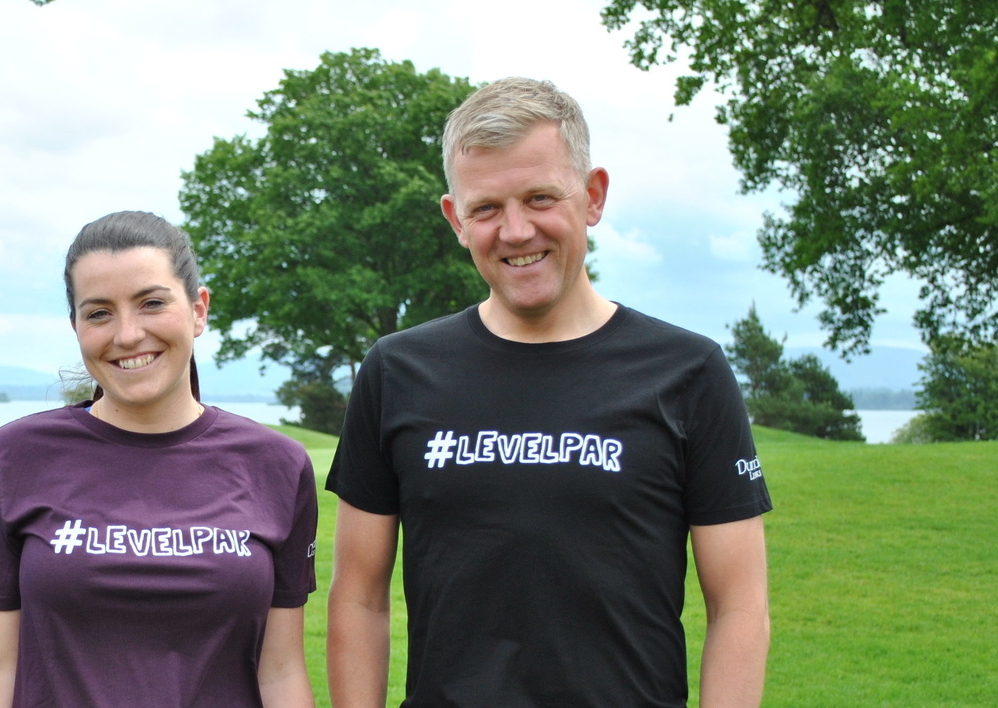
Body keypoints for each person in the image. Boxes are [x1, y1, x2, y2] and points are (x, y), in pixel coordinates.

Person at [325, 77, 772, 708]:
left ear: (592, 197)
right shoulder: (397, 371)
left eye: (540, 198)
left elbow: (740, 606)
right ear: (456, 218)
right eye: (486, 209)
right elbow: (359, 598)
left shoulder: (689, 371)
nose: (515, 232)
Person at [0, 211, 318, 708]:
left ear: (198, 309)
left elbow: (279, 671)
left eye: (151, 303)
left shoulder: (277, 465)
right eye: (99, 313)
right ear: (76, 326)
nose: (127, 335)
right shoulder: (13, 457)